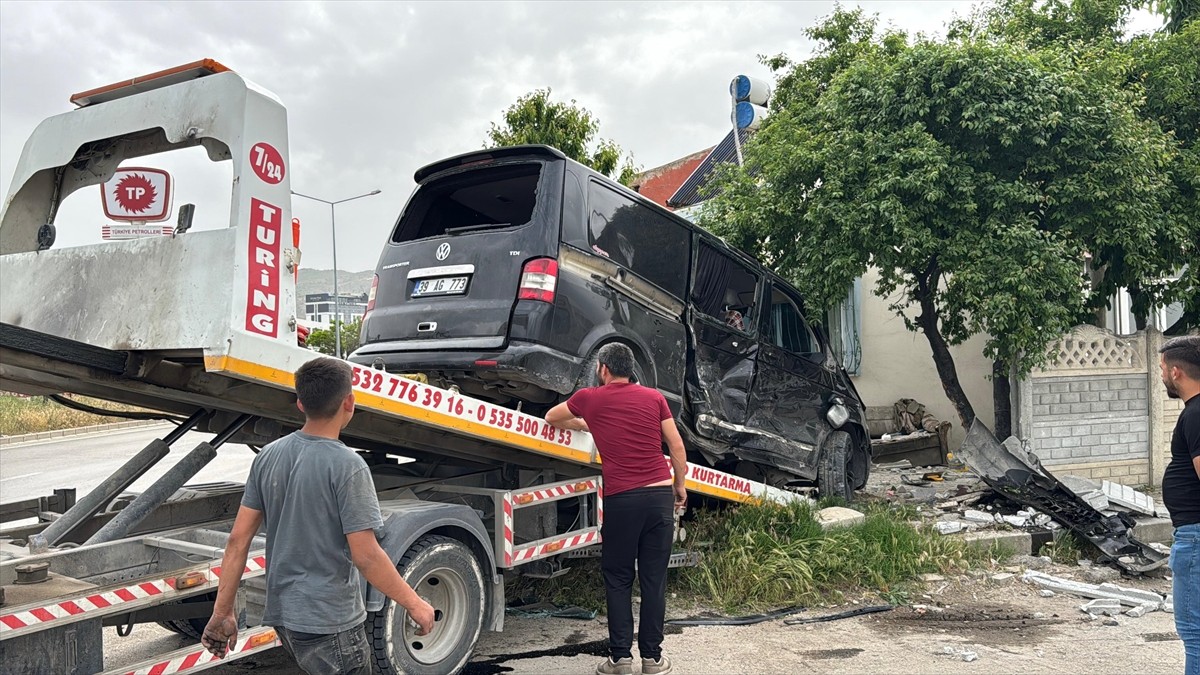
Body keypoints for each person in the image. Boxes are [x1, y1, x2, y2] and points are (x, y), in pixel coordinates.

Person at [201, 357, 435, 674]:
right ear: (349, 402)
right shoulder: (348, 466)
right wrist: (415, 603)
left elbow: (237, 541)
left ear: (300, 403)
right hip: (330, 620)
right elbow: (366, 556)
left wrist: (222, 612)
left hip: (286, 616)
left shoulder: (269, 456)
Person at [546, 343, 687, 675]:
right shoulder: (655, 398)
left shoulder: (589, 398)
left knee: (619, 578)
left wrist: (586, 424)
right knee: (654, 579)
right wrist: (679, 485)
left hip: (622, 500)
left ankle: (621, 659)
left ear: (603, 368)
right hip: (659, 497)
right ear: (631, 368)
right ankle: (652, 659)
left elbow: (552, 417)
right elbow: (676, 445)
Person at [1160, 335, 1200, 675]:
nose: (1161, 376)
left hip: (1196, 536)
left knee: (1195, 632)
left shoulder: (1196, 414)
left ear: (1176, 372)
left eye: (1161, 369)